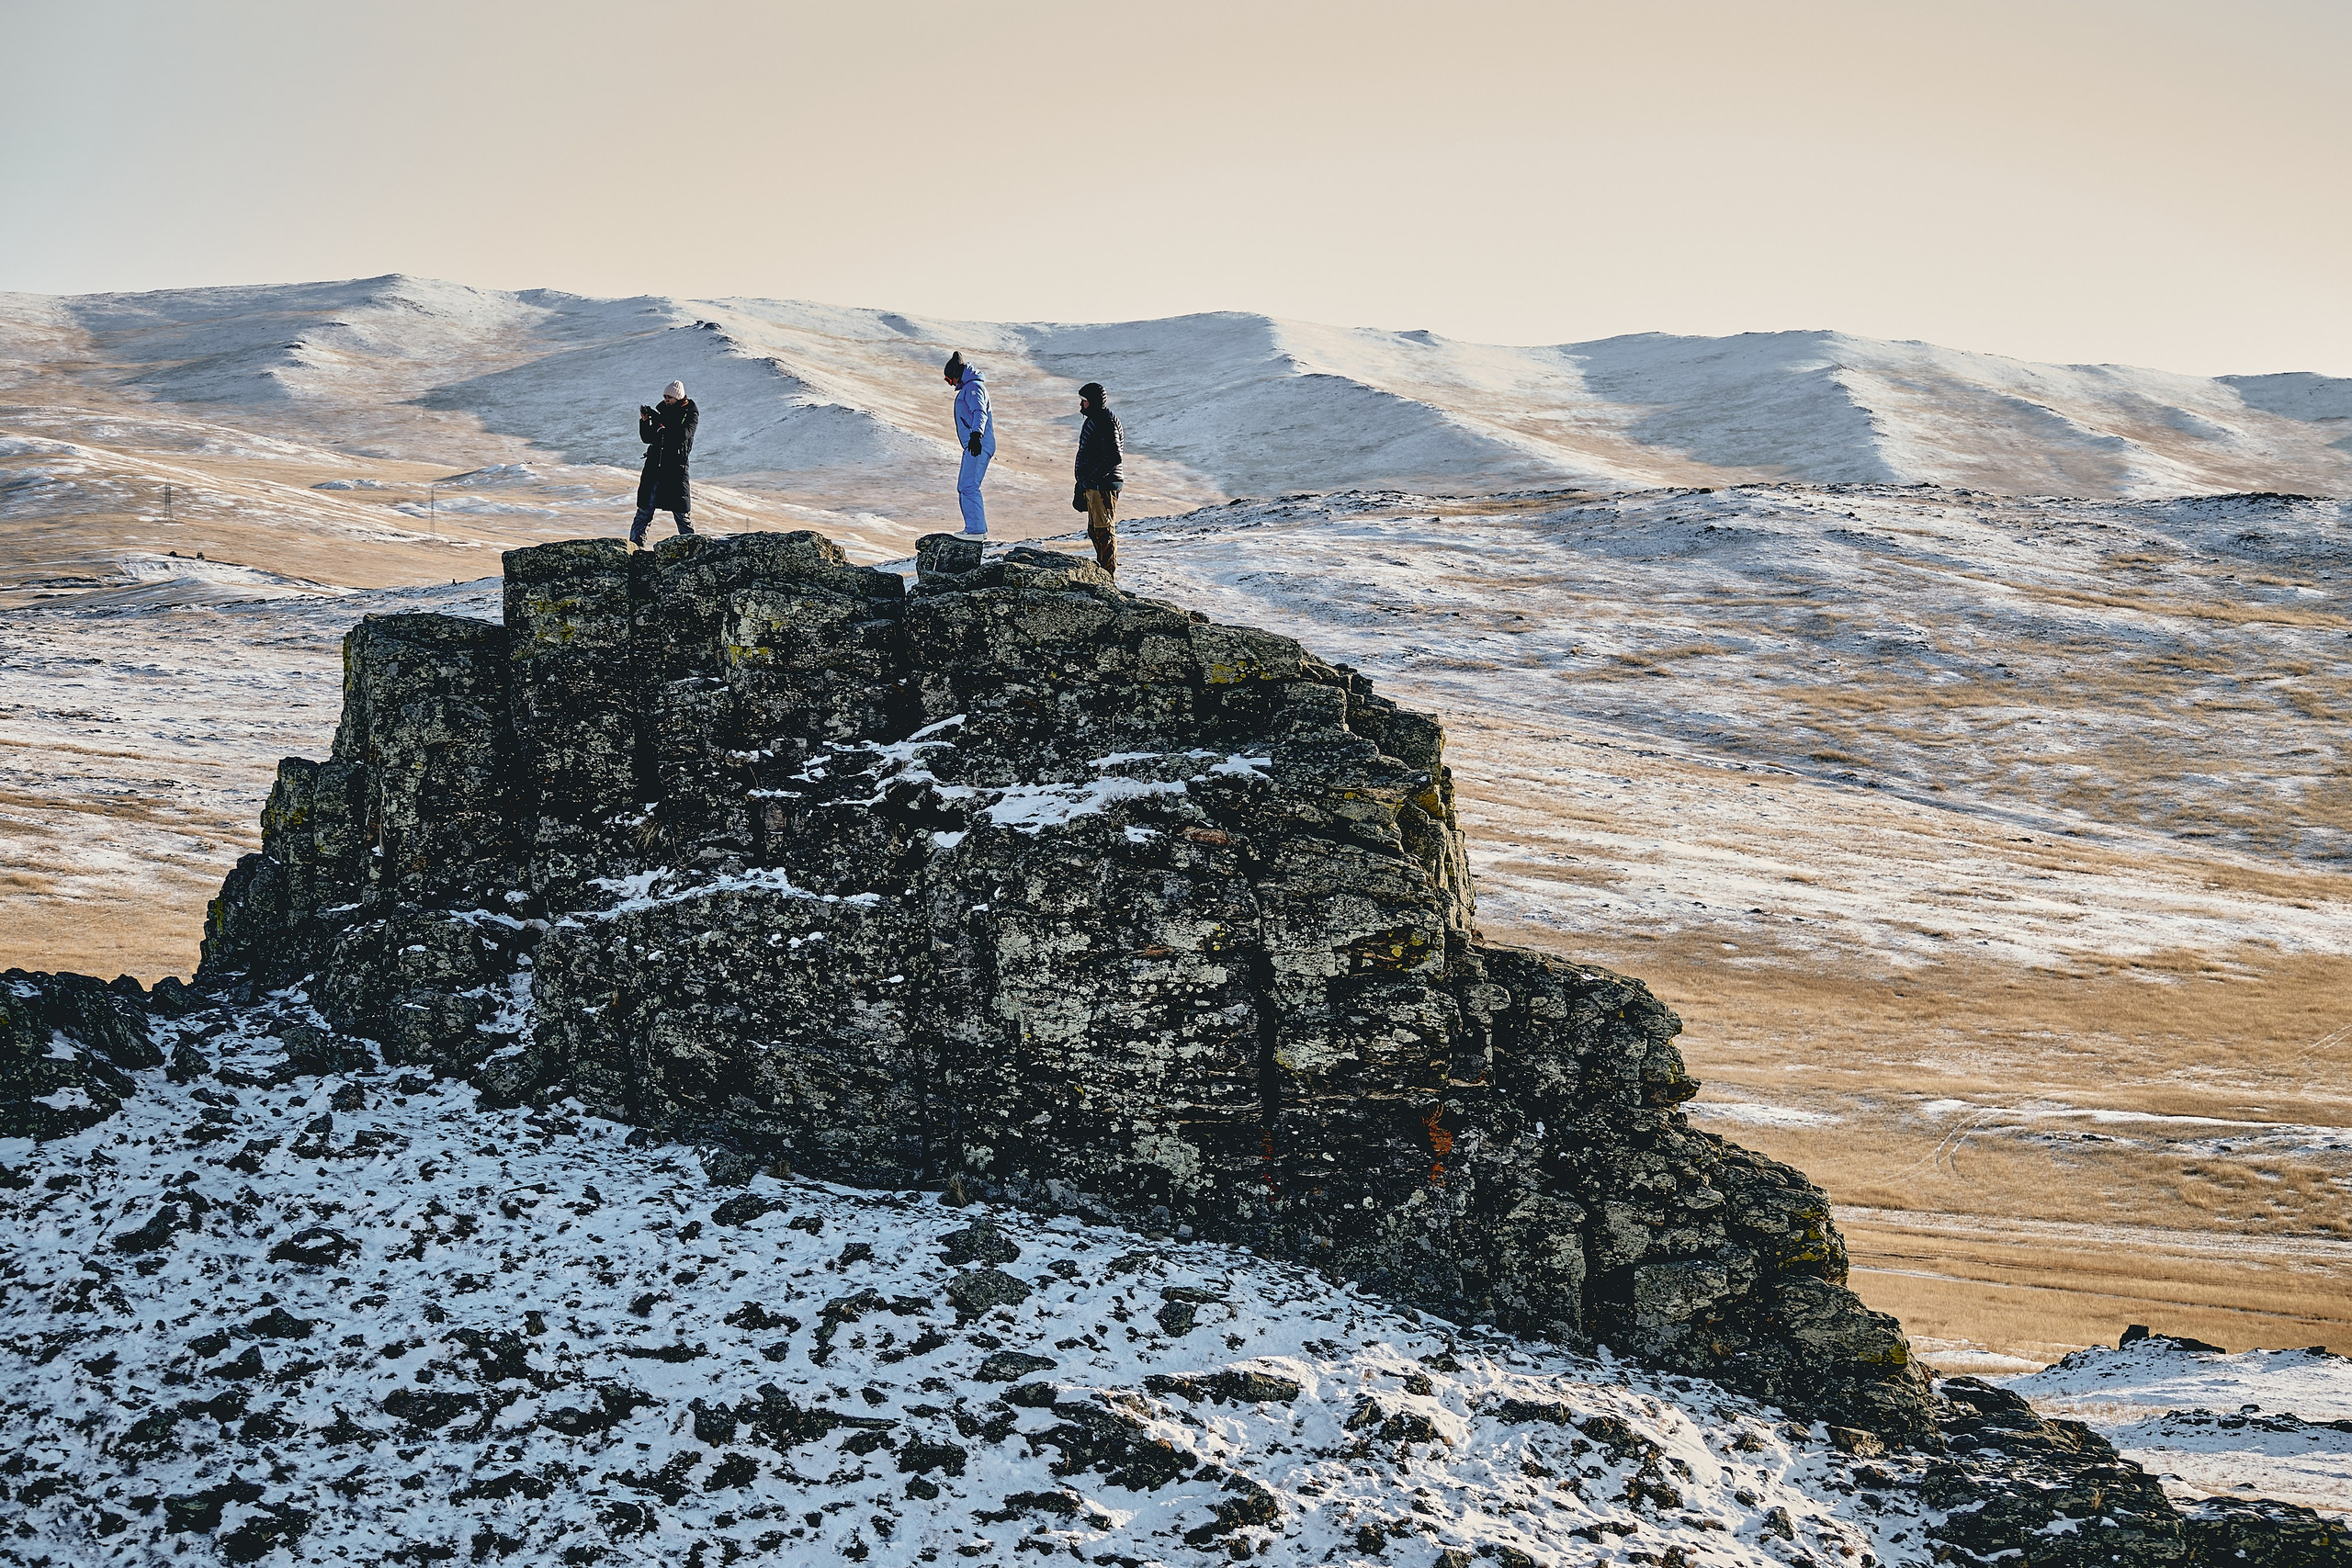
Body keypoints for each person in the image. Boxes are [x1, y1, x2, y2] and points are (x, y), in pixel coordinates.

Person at [631, 380, 697, 547]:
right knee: (644, 511)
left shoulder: (690, 413)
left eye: (670, 397)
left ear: (678, 397)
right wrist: (646, 421)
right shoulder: (662, 413)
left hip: (675, 470)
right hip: (654, 468)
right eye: (665, 397)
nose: (666, 400)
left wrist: (663, 428)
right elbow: (648, 438)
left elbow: (682, 435)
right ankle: (635, 549)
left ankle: (692, 550)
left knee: (681, 513)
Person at [1071, 381, 1123, 574]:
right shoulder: (1097, 419)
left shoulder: (1104, 420)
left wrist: (1092, 479)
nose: (1081, 405)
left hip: (1103, 486)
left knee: (1103, 531)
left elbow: (1114, 456)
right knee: (1096, 531)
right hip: (1097, 485)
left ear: (1092, 402)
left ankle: (1107, 577)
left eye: (1084, 401)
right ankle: (1104, 574)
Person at [944, 351, 994, 537]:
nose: (952, 384)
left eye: (950, 380)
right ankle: (975, 529)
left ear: (957, 373)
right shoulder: (971, 386)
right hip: (976, 443)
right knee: (966, 485)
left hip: (978, 444)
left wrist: (975, 435)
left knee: (968, 486)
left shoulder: (973, 387)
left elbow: (980, 412)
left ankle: (975, 530)